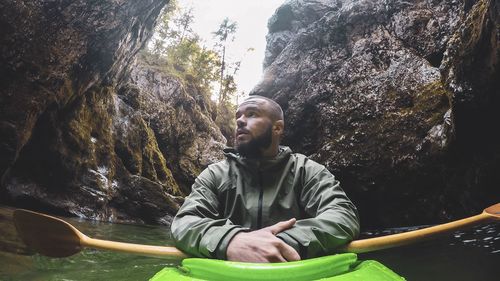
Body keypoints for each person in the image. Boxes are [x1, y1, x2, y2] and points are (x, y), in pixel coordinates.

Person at [171, 95, 360, 262]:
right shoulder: (215, 174)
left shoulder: (307, 171)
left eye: (252, 114)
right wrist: (230, 240)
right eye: (238, 116)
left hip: (291, 267)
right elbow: (185, 221)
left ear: (277, 128)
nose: (240, 121)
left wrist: (281, 242)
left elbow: (343, 215)